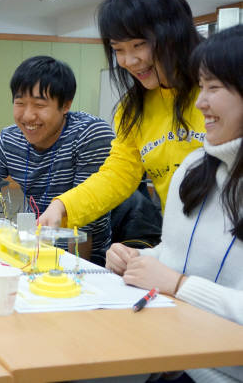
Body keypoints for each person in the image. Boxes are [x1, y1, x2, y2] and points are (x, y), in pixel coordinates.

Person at [106, 24, 242, 383]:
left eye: (213, 87)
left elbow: (178, 278)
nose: (200, 102)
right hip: (178, 353)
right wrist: (137, 261)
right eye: (201, 87)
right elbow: (176, 253)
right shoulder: (195, 168)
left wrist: (179, 286)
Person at [38, 0, 205, 231]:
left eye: (139, 45)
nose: (129, 60)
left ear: (174, 32)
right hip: (183, 241)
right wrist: (64, 206)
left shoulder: (221, 87)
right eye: (118, 49)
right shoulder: (133, 110)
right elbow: (119, 174)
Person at [0, 56, 115, 263]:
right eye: (20, 103)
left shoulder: (89, 135)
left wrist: (70, 273)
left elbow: (85, 225)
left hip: (82, 261)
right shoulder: (10, 139)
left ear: (65, 105)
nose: (28, 116)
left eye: (39, 105)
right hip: (29, 249)